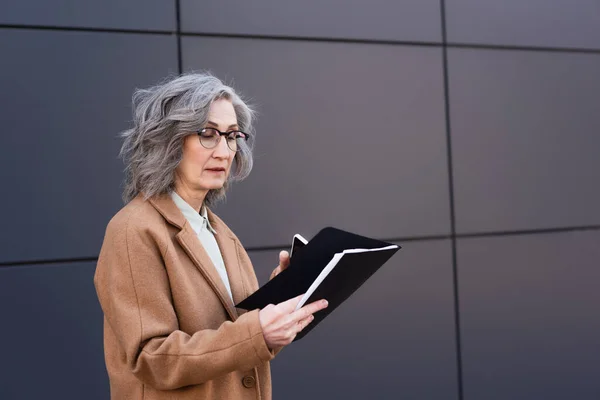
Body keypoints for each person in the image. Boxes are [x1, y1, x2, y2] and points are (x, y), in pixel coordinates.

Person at [94, 73, 328, 400]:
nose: (224, 151)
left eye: (232, 136)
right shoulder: (133, 229)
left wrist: (281, 298)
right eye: (207, 134)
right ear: (168, 140)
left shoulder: (219, 232)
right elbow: (153, 358)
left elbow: (239, 338)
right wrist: (256, 332)